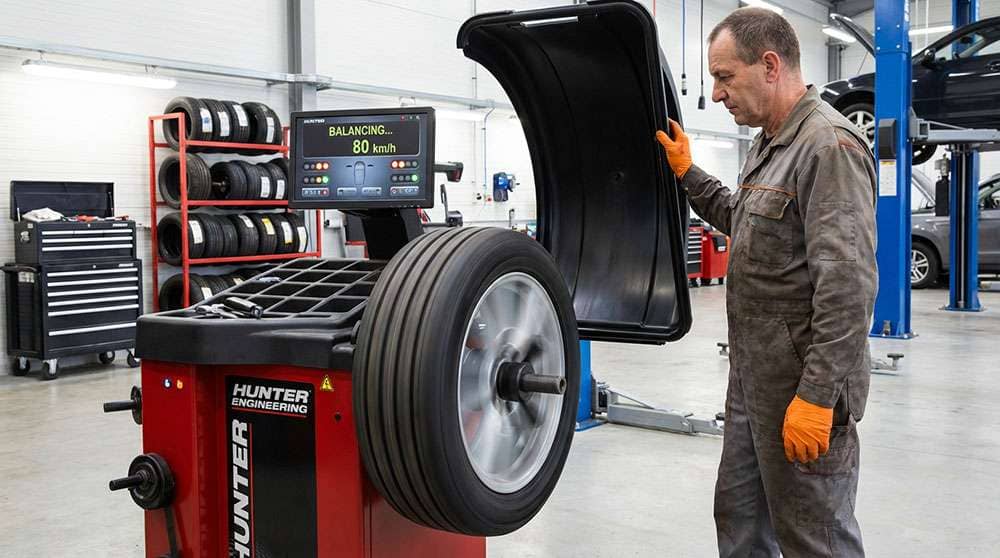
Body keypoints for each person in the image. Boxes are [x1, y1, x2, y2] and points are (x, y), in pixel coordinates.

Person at [655, 8, 877, 558]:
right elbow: (745, 220)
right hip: (753, 382)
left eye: (725, 77)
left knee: (814, 537)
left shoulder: (830, 147)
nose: (716, 93)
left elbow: (848, 288)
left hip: (801, 388)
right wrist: (688, 173)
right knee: (740, 521)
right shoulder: (768, 141)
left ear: (770, 65)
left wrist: (817, 397)